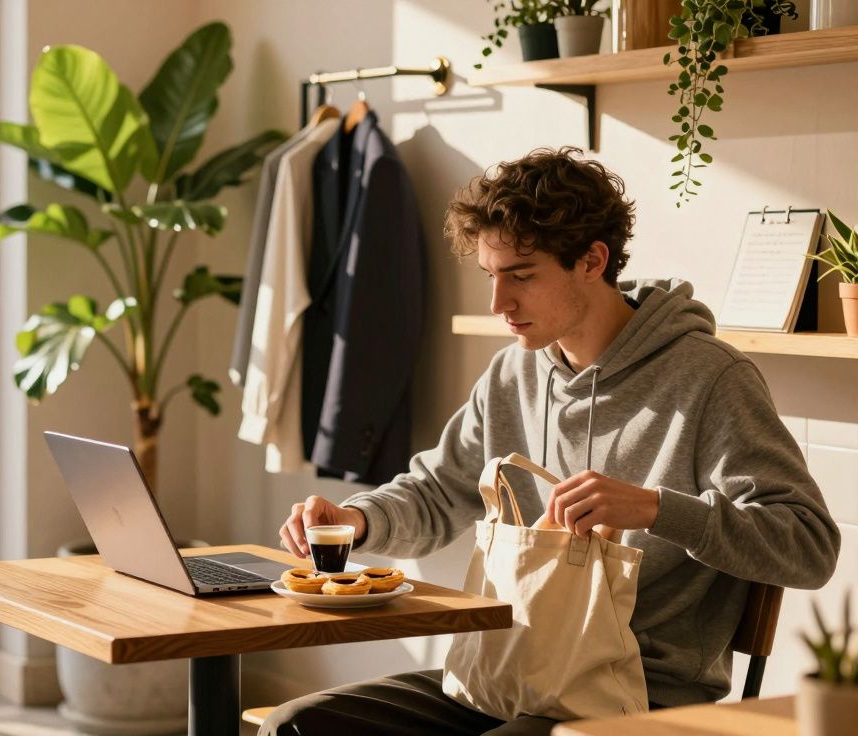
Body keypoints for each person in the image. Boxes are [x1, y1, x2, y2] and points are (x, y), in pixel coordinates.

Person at [263, 146, 840, 736]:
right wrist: (357, 520)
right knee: (297, 725)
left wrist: (656, 509)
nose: (499, 304)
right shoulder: (514, 373)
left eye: (522, 276)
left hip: (636, 695)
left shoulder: (710, 379)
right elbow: (439, 492)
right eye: (491, 276)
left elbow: (809, 546)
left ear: (592, 260)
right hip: (507, 675)